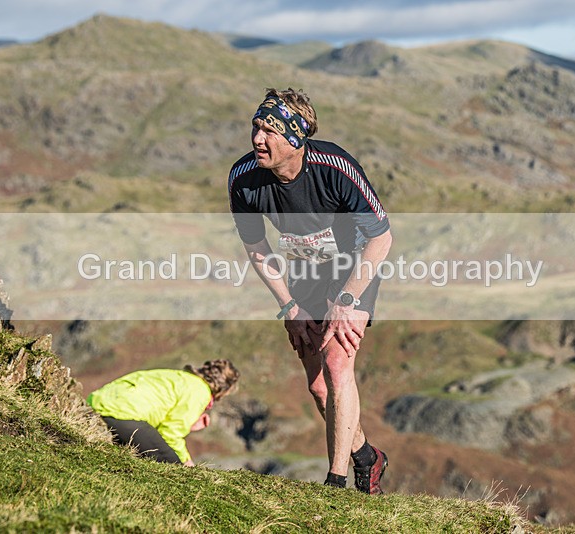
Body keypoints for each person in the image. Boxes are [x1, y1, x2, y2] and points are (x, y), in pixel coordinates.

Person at [227, 88, 392, 494]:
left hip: (354, 267)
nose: (257, 139)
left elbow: (381, 238)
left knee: (337, 364)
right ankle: (367, 457)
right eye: (255, 127)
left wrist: (349, 301)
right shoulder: (244, 179)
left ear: (296, 138)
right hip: (303, 271)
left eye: (269, 130)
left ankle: (336, 482)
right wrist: (289, 306)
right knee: (318, 385)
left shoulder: (334, 167)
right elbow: (257, 248)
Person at [87, 359, 240, 466]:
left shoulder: (181, 377)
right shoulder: (200, 392)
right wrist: (187, 462)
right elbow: (169, 434)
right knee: (174, 467)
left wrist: (189, 425)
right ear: (223, 390)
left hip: (99, 402)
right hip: (123, 415)